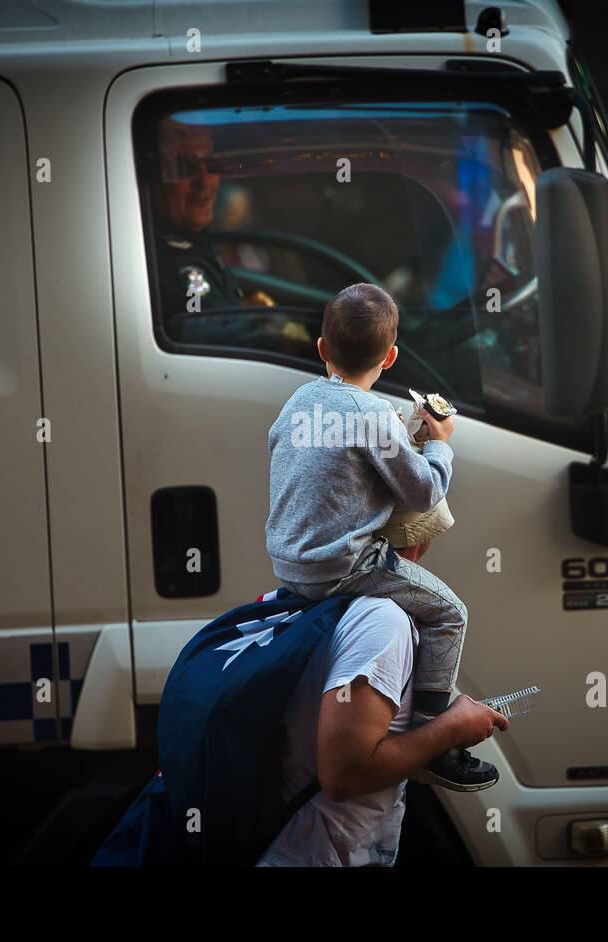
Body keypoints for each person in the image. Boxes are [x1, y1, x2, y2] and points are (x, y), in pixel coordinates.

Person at [265, 282, 496, 791]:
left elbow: (307, 454)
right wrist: (439, 444)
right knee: (451, 611)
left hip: (290, 567)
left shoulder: (301, 397)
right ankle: (437, 735)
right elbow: (423, 492)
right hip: (344, 569)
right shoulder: (372, 416)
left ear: (322, 348)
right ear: (390, 357)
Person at [257, 595, 509, 867]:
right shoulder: (384, 620)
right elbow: (345, 775)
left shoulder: (293, 600)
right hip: (313, 854)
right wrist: (451, 729)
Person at [149, 118, 272, 320]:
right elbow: (208, 331)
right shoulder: (173, 264)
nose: (205, 181)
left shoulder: (195, 238)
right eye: (187, 168)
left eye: (211, 164)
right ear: (155, 180)